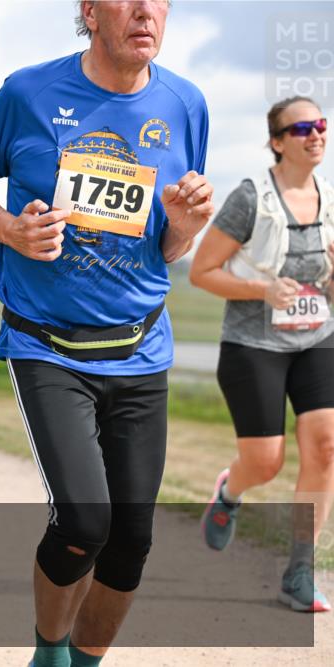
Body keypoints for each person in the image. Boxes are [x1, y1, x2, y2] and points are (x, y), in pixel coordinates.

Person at [0, 1, 213, 664]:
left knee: (131, 539)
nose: (146, 11)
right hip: (46, 343)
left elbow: (171, 246)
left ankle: (85, 661)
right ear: (91, 12)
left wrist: (184, 223)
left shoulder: (186, 103)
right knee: (83, 524)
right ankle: (48, 650)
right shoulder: (27, 92)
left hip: (140, 345)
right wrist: (11, 229)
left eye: (160, 0)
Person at [190, 96, 332, 613]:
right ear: (277, 141)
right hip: (253, 345)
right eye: (302, 128)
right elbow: (202, 272)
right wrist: (262, 292)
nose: (316, 134)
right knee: (265, 463)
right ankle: (230, 492)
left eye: (321, 124)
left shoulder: (332, 200)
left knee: (325, 447)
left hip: (318, 339)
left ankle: (299, 572)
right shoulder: (251, 198)